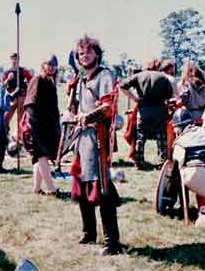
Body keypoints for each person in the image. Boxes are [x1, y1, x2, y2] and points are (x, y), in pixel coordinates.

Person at [70, 35, 123, 255]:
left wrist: (87, 117)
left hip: (97, 139)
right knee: (82, 184)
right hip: (82, 139)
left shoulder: (104, 75)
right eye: (81, 53)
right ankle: (89, 232)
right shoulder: (82, 80)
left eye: (89, 52)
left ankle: (112, 242)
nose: (85, 56)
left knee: (102, 188)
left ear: (97, 54)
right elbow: (76, 108)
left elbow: (108, 108)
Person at [121, 58, 173, 169]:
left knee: (140, 138)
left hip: (143, 110)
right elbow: (169, 95)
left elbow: (122, 86)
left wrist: (135, 98)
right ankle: (162, 163)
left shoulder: (139, 76)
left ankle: (139, 162)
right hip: (160, 111)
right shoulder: (163, 77)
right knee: (161, 138)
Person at [23, 55, 60, 195]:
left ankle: (37, 188)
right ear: (43, 65)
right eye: (48, 64)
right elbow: (30, 104)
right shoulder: (38, 79)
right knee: (42, 155)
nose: (51, 67)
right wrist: (34, 126)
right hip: (37, 125)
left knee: (40, 156)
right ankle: (51, 189)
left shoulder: (50, 81)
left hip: (47, 126)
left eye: (53, 65)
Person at [3, 52, 33, 128]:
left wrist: (27, 89)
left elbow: (32, 81)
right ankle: (5, 132)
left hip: (21, 95)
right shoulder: (7, 72)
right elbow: (2, 86)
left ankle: (20, 135)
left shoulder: (23, 71)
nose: (14, 61)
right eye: (13, 59)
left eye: (16, 59)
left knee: (21, 117)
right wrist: (8, 79)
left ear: (18, 60)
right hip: (11, 96)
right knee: (6, 116)